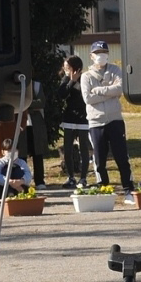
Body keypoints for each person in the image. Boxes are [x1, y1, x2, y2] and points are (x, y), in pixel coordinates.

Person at [82, 40, 130, 185]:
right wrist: (110, 91)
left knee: (121, 157)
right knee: (99, 159)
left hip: (115, 119)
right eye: (97, 53)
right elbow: (88, 98)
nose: (100, 56)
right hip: (96, 122)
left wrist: (100, 90)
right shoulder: (86, 76)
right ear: (91, 56)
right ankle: (104, 186)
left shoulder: (115, 70)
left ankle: (128, 187)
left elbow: (120, 88)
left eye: (103, 53)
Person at [53, 55, 90, 187]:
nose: (65, 69)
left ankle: (83, 178)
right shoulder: (66, 78)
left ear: (76, 67)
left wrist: (77, 81)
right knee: (67, 148)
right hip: (69, 117)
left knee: (84, 148)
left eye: (68, 67)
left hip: (83, 117)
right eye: (64, 67)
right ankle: (71, 177)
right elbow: (61, 94)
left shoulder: (86, 78)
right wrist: (71, 81)